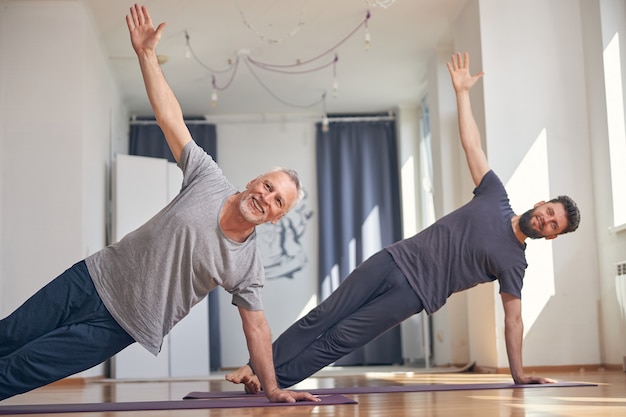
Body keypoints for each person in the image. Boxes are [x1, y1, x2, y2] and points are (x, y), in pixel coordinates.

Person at [0, 4, 319, 404]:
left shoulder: (246, 265)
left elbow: (257, 329)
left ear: (277, 218)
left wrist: (272, 387)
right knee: (10, 334)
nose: (266, 198)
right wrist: (146, 55)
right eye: (268, 186)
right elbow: (171, 119)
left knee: (23, 369)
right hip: (90, 279)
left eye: (278, 202)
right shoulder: (208, 178)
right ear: (254, 179)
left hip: (122, 325)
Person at [226, 52, 581, 392]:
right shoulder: (494, 195)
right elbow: (471, 144)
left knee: (341, 339)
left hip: (414, 294)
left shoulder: (515, 263)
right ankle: (256, 367)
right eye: (550, 212)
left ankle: (273, 382)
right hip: (393, 259)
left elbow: (514, 320)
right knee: (323, 315)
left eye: (554, 225)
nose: (546, 220)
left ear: (551, 237)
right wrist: (461, 94)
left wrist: (518, 375)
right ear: (541, 203)